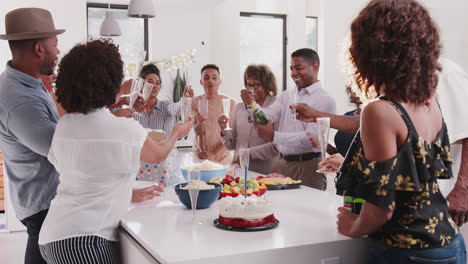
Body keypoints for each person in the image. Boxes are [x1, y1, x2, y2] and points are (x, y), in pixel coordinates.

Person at [301, 0, 465, 262]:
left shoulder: (379, 110)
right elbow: (411, 173)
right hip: (450, 244)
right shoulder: (428, 101)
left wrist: (353, 226)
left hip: (406, 248)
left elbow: (382, 207)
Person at [38, 40, 193, 263]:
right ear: (109, 82)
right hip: (85, 241)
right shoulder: (123, 128)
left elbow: (88, 179)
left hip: (52, 236)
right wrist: (177, 133)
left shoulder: (66, 124)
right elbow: (158, 155)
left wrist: (128, 194)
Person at [296, 61, 468, 228]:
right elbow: (370, 121)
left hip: (440, 206)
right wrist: (316, 115)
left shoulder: (445, 73)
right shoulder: (398, 79)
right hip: (404, 212)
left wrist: (463, 189)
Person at [0, 8, 63, 264]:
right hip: (43, 205)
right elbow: (62, 150)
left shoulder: (28, 83)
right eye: (55, 44)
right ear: (39, 49)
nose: (58, 52)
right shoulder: (20, 100)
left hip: (40, 201)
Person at [240, 48, 336, 190]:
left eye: (298, 68)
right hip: (281, 164)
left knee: (307, 210)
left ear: (315, 66)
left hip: (308, 167)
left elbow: (310, 138)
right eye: (291, 69)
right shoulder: (287, 95)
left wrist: (273, 136)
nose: (293, 73)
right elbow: (267, 116)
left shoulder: (325, 99)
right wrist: (251, 104)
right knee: (279, 209)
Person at [218, 64, 279, 174]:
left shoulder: (276, 105)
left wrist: (247, 154)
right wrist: (223, 131)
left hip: (264, 171)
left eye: (257, 85)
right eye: (249, 85)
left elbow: (276, 147)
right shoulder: (240, 107)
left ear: (267, 85)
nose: (252, 90)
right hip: (239, 170)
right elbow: (230, 145)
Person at [133, 63, 194, 136]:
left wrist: (185, 99)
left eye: (157, 83)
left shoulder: (165, 106)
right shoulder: (133, 110)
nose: (154, 86)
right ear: (141, 85)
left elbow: (177, 109)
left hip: (164, 147)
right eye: (150, 82)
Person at [192, 64, 236, 165]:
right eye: (206, 78)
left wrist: (213, 154)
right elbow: (197, 131)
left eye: (214, 78)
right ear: (201, 82)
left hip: (223, 158)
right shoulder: (195, 102)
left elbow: (232, 136)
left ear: (220, 81)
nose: (210, 81)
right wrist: (199, 123)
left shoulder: (230, 102)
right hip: (200, 156)